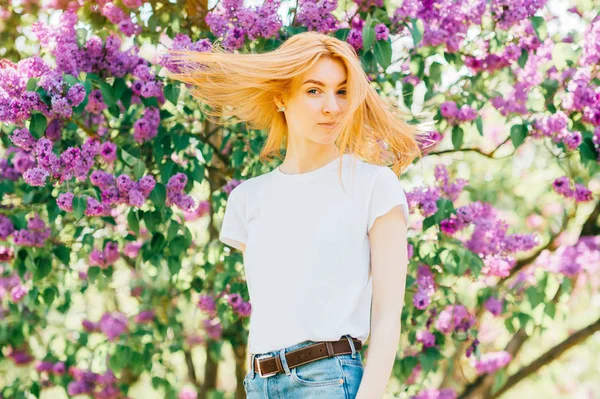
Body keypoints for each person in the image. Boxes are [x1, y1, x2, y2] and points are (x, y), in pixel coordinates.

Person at [166, 31, 424, 398]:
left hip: (327, 380)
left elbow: (387, 319)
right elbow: (278, 310)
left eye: (342, 91)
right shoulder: (248, 199)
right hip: (259, 383)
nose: (332, 107)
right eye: (314, 90)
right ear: (281, 98)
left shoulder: (372, 185)